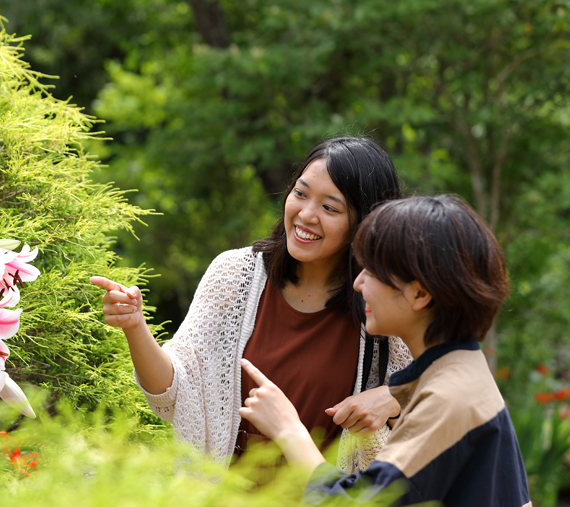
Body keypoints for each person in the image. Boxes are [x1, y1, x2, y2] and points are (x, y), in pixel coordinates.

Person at [239, 194, 537, 507]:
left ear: (419, 295)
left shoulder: (452, 401)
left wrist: (289, 430)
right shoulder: (458, 380)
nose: (358, 282)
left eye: (372, 272)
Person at [91, 136, 412, 470]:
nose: (306, 214)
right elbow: (172, 395)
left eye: (329, 208)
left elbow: (450, 386)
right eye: (300, 194)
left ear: (365, 223)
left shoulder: (382, 298)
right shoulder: (234, 276)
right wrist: (135, 326)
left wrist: (393, 396)